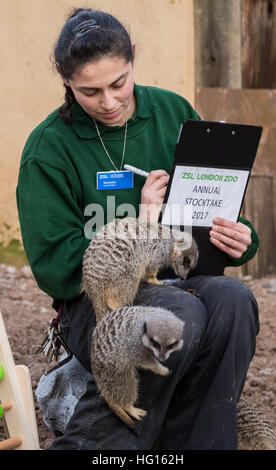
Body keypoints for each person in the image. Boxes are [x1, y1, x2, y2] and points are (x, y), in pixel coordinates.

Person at [16, 8, 259, 450]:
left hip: (184, 282)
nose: (108, 102)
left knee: (234, 300)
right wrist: (138, 235)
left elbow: (208, 206)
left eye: (119, 83)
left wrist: (239, 237)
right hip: (96, 305)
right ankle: (92, 446)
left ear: (132, 60)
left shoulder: (173, 112)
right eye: (89, 91)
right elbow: (55, 268)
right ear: (65, 81)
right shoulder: (48, 148)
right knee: (172, 317)